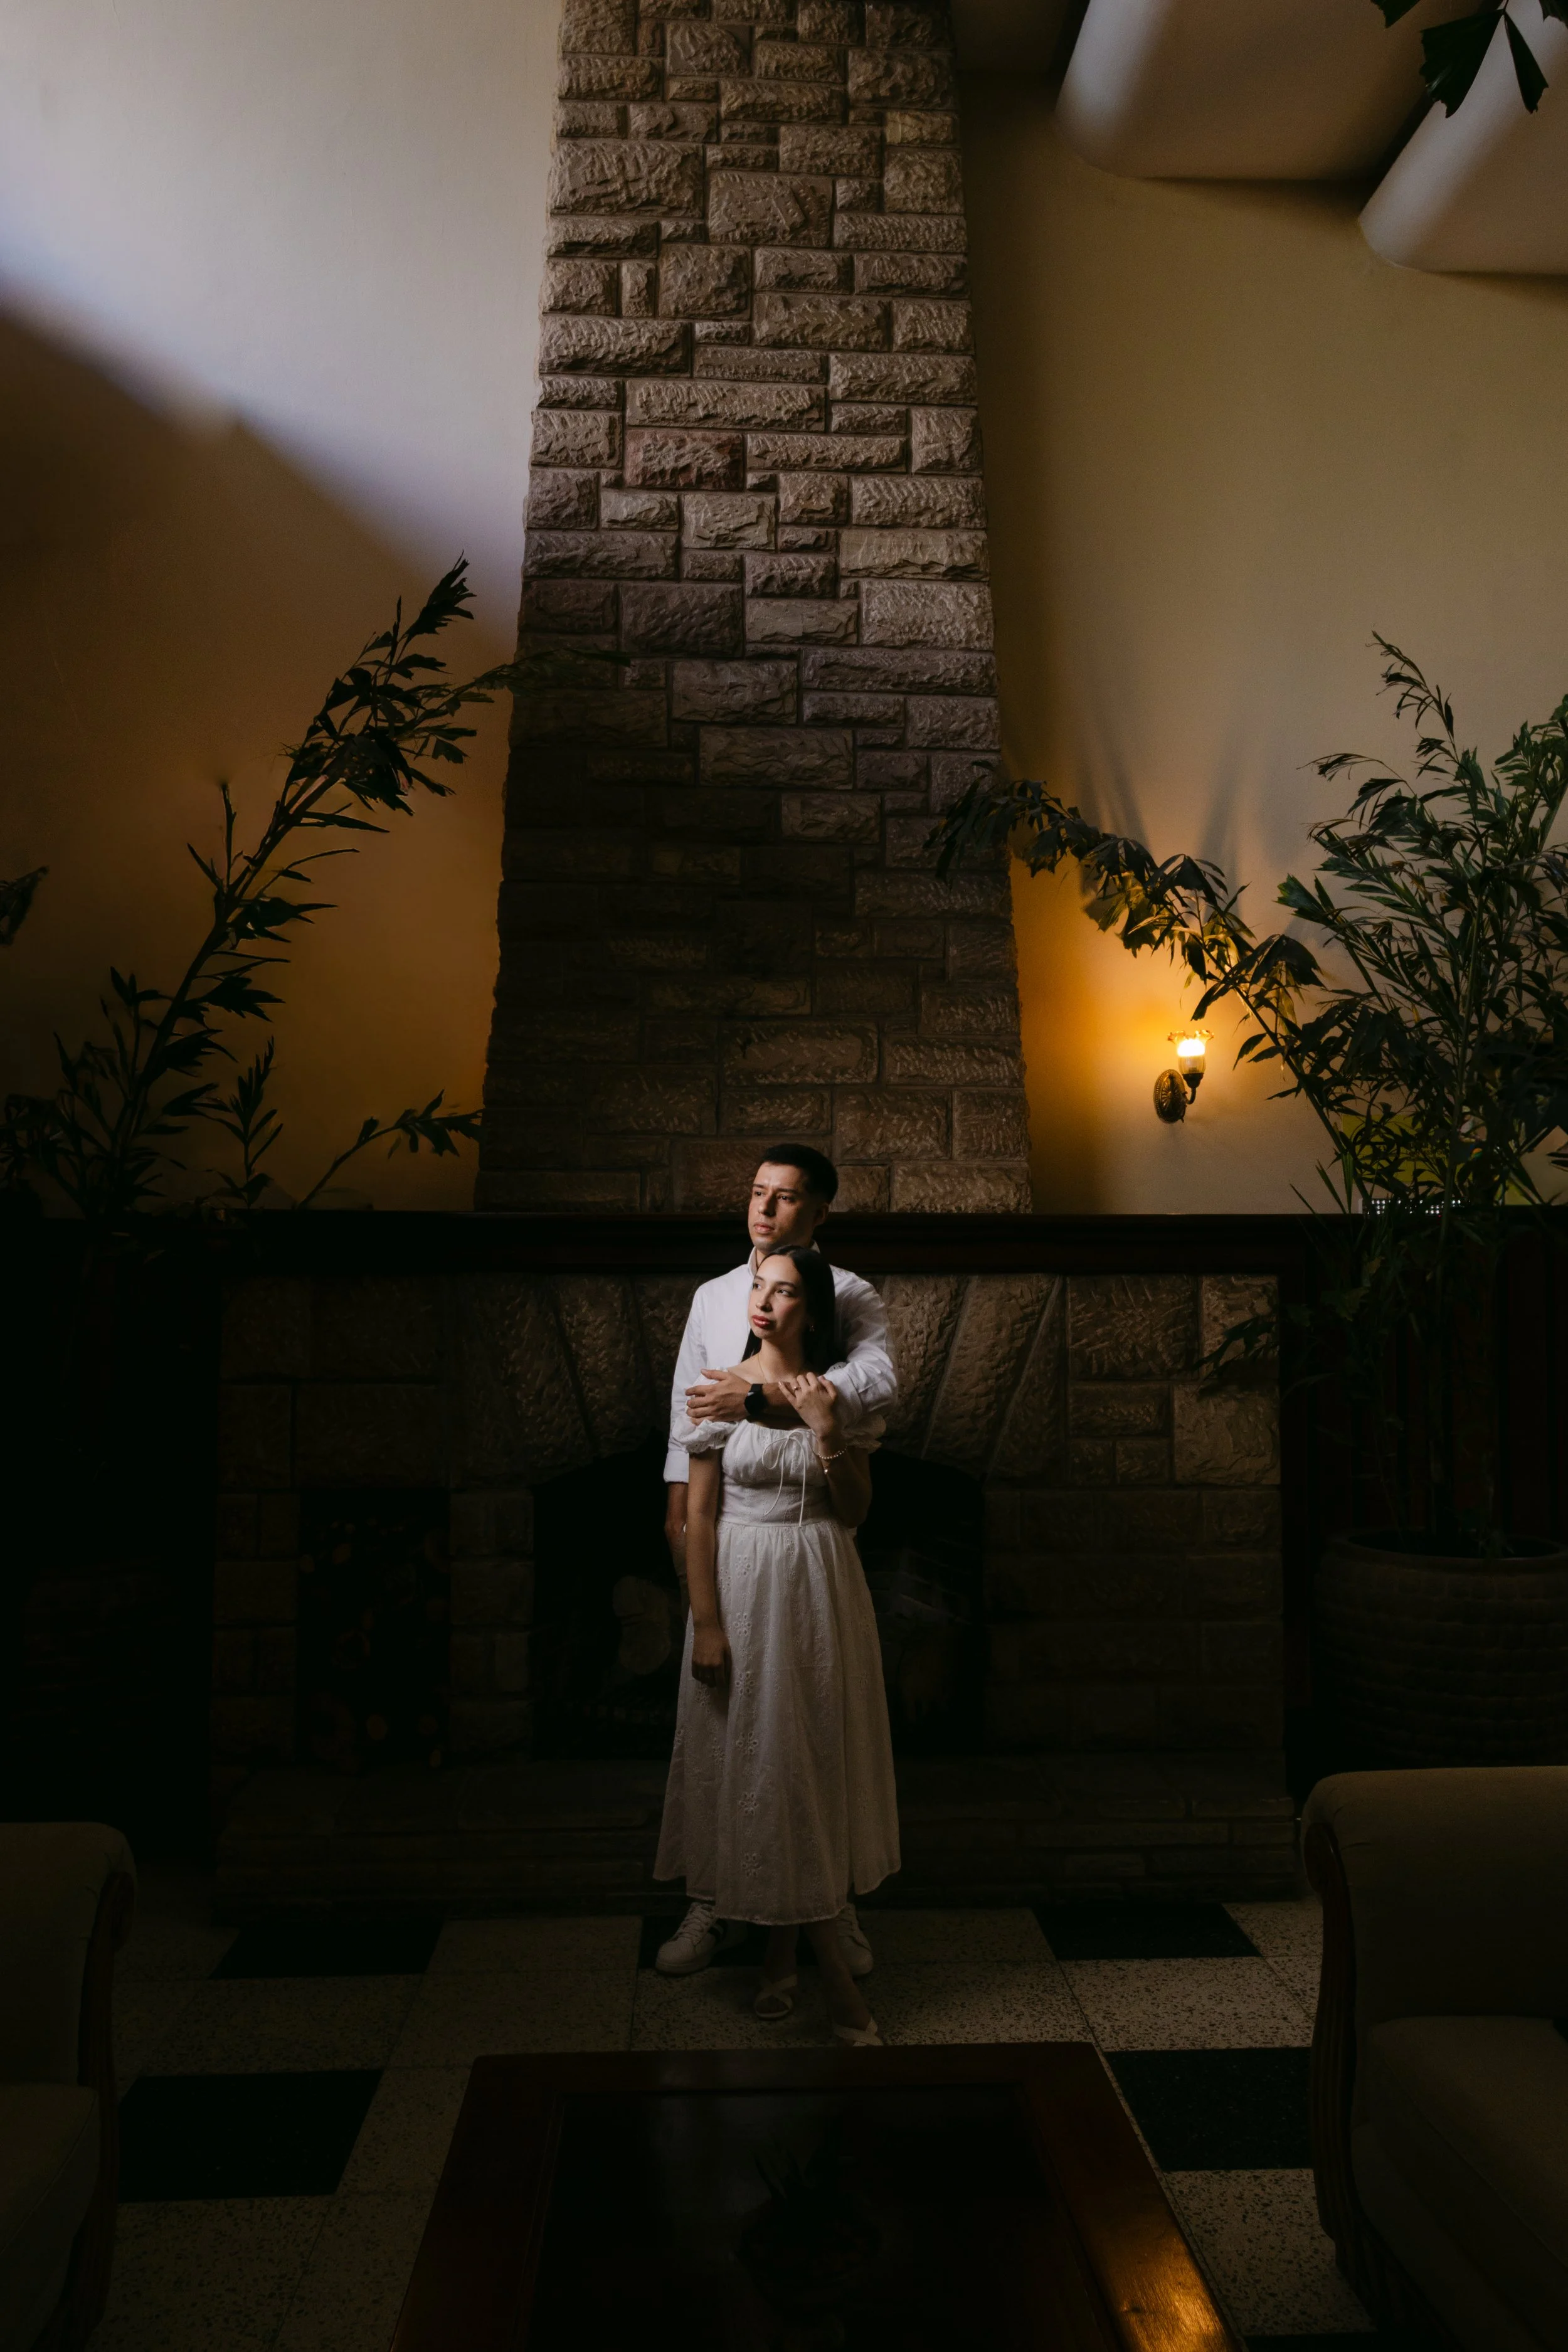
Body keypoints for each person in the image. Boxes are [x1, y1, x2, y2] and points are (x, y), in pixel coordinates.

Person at [655, 1147, 897, 1983]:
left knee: (811, 1729)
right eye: (758, 1193)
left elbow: (872, 1392)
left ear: (820, 1213)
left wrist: (753, 1399)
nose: (766, 1209)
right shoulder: (714, 1297)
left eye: (788, 1198)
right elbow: (691, 1410)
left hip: (810, 1546)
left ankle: (831, 1902)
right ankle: (715, 1899)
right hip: (729, 1540)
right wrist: (679, 1502)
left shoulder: (850, 1294)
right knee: (726, 1729)